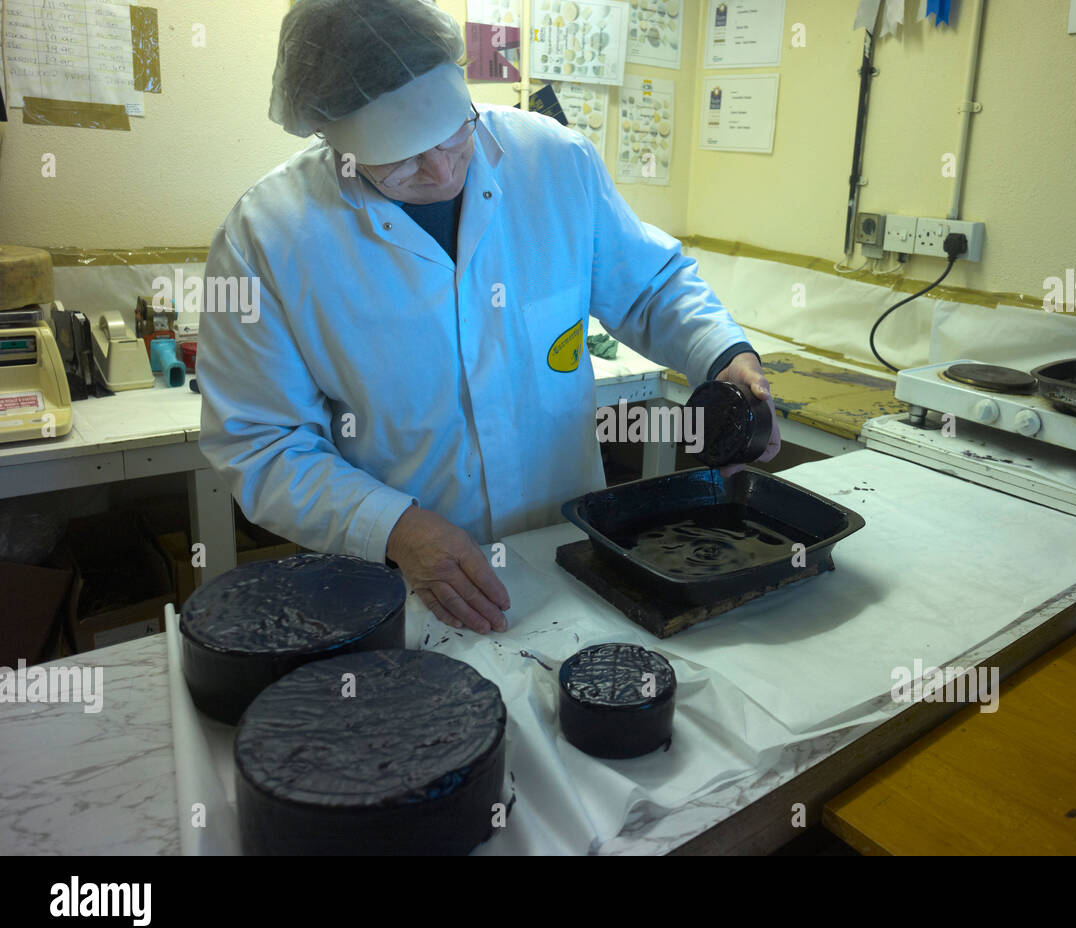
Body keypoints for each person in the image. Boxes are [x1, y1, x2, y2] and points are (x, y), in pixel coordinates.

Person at [198, 0, 780, 635]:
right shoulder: (268, 237)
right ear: (330, 133)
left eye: (455, 130)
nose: (443, 169)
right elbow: (263, 440)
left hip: (575, 555)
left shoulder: (553, 162)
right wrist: (395, 528)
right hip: (407, 585)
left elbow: (648, 286)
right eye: (402, 156)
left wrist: (724, 354)